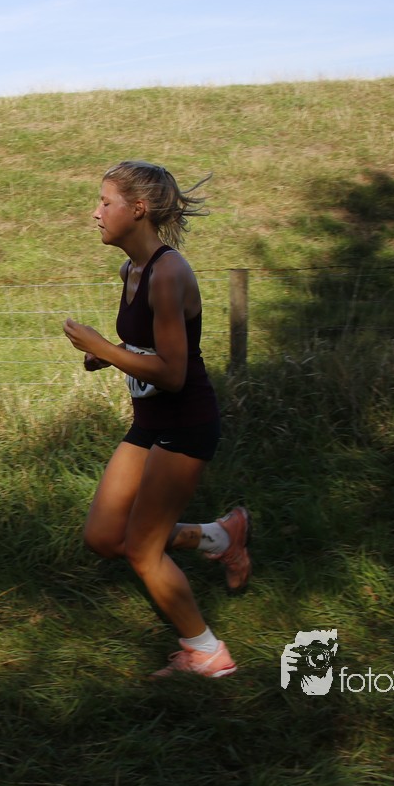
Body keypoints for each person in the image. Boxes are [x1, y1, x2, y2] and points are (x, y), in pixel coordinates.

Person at [63, 160, 250, 679]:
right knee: (105, 537)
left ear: (138, 209)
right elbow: (147, 347)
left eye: (106, 202)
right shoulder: (132, 270)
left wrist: (105, 347)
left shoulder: (168, 274)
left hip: (185, 424)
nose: (96, 213)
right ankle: (220, 537)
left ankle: (207, 654)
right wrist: (109, 355)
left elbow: (172, 372)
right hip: (150, 422)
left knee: (143, 550)